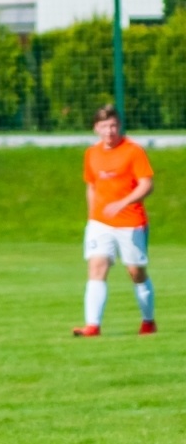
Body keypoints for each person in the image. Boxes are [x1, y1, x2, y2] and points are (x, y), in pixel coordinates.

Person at [74, 104, 156, 337]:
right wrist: (92, 217)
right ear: (95, 128)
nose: (109, 131)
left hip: (131, 223)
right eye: (104, 126)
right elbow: (91, 185)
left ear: (119, 126)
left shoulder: (133, 151)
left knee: (135, 272)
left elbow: (147, 185)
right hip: (100, 223)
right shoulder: (91, 153)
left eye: (113, 125)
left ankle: (148, 321)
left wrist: (123, 203)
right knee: (97, 266)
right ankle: (92, 326)